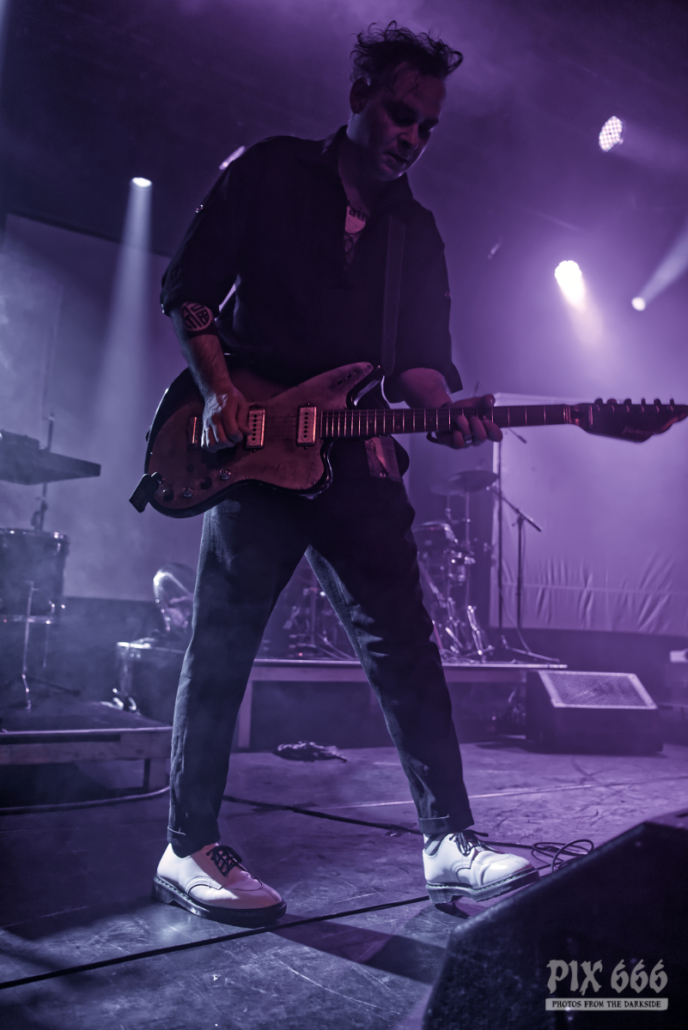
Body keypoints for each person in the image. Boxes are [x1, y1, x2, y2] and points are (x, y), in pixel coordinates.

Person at [153, 23, 537, 927]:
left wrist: (447, 409)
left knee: (407, 646)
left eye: (428, 127)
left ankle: (449, 844)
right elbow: (190, 290)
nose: (412, 137)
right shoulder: (271, 171)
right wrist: (218, 393)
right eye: (402, 114)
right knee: (223, 646)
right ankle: (187, 845)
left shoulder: (416, 233)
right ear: (361, 94)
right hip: (255, 444)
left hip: (354, 454)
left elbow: (418, 364)